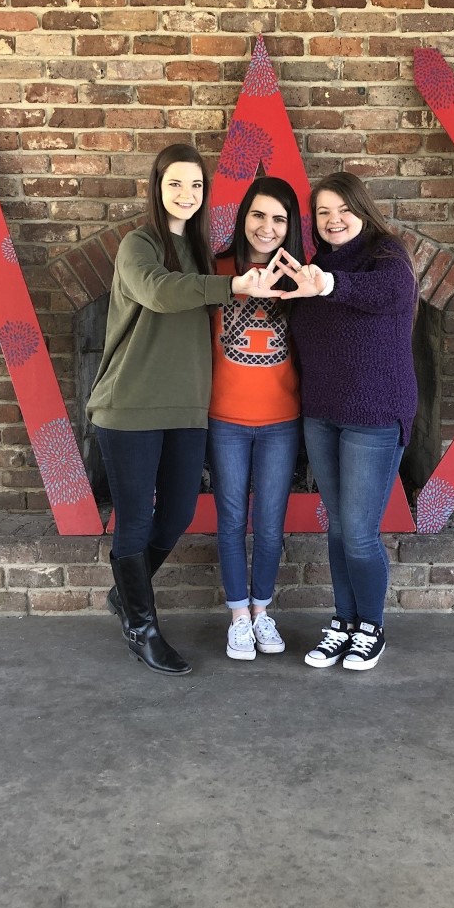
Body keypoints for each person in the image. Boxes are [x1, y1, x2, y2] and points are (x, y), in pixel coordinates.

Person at [87, 144, 266, 676]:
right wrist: (231, 286)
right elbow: (161, 293)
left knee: (180, 513)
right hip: (129, 406)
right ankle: (141, 627)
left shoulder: (205, 253)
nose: (186, 195)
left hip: (189, 407)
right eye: (175, 184)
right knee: (136, 521)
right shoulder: (138, 245)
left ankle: (126, 592)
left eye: (195, 186)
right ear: (157, 186)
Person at [276, 172, 418, 672]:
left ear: (362, 209)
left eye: (343, 210)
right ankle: (344, 622)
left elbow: (385, 292)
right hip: (322, 414)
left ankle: (371, 627)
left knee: (359, 533)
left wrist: (328, 283)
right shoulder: (313, 268)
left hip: (375, 416)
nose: (334, 220)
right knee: (338, 529)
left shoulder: (389, 257)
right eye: (323, 213)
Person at [207, 177, 305, 662]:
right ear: (244, 217)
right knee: (230, 520)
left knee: (269, 522)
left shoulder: (301, 277)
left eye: (279, 219)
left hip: (281, 422)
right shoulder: (218, 270)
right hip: (224, 419)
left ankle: (263, 609)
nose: (267, 228)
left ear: (291, 228)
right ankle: (238, 617)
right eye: (259, 215)